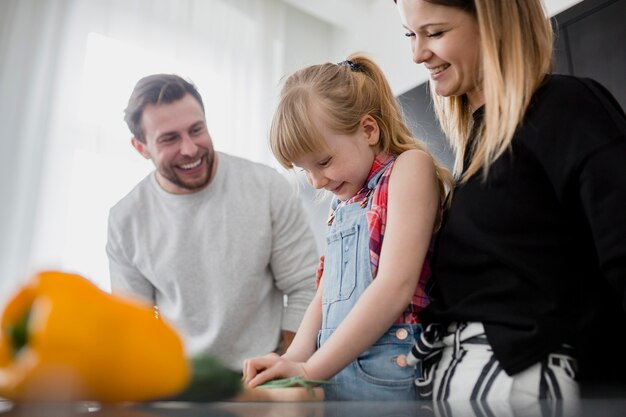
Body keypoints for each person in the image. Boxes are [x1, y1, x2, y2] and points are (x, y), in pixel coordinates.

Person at [392, 0, 626, 404]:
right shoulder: (471, 155)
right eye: (411, 35)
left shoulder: (567, 107)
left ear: (494, 23)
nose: (417, 54)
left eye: (435, 33)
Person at [242, 53, 453, 401]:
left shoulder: (409, 169)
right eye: (304, 170)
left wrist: (310, 370)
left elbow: (394, 287)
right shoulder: (344, 205)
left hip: (388, 373)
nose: (316, 181)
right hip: (335, 370)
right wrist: (293, 359)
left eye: (323, 162)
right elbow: (324, 297)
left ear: (368, 130)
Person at [106, 74, 319, 371]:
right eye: (169, 138)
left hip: (267, 368)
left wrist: (283, 365)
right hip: (180, 380)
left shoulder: (267, 186)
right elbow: (134, 326)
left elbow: (306, 285)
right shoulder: (124, 220)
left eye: (197, 130)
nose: (190, 149)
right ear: (141, 147)